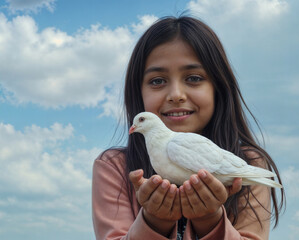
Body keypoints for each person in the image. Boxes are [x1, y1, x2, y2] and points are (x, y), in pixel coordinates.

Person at [92, 16, 285, 240]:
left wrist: (210, 219)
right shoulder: (114, 167)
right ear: (138, 91)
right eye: (157, 81)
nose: (176, 95)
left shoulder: (249, 159)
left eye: (193, 78)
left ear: (219, 88)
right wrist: (155, 220)